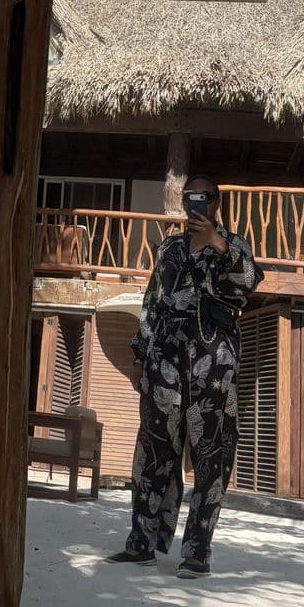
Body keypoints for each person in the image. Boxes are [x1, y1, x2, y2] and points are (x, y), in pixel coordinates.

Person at [107, 175, 263, 578]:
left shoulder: (235, 244)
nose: (196, 203)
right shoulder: (171, 249)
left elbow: (249, 283)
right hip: (165, 361)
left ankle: (197, 551)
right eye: (190, 196)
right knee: (154, 451)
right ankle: (141, 541)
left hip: (214, 362)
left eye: (204, 197)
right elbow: (152, 301)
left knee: (212, 456)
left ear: (216, 201)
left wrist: (218, 243)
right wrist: (140, 356)